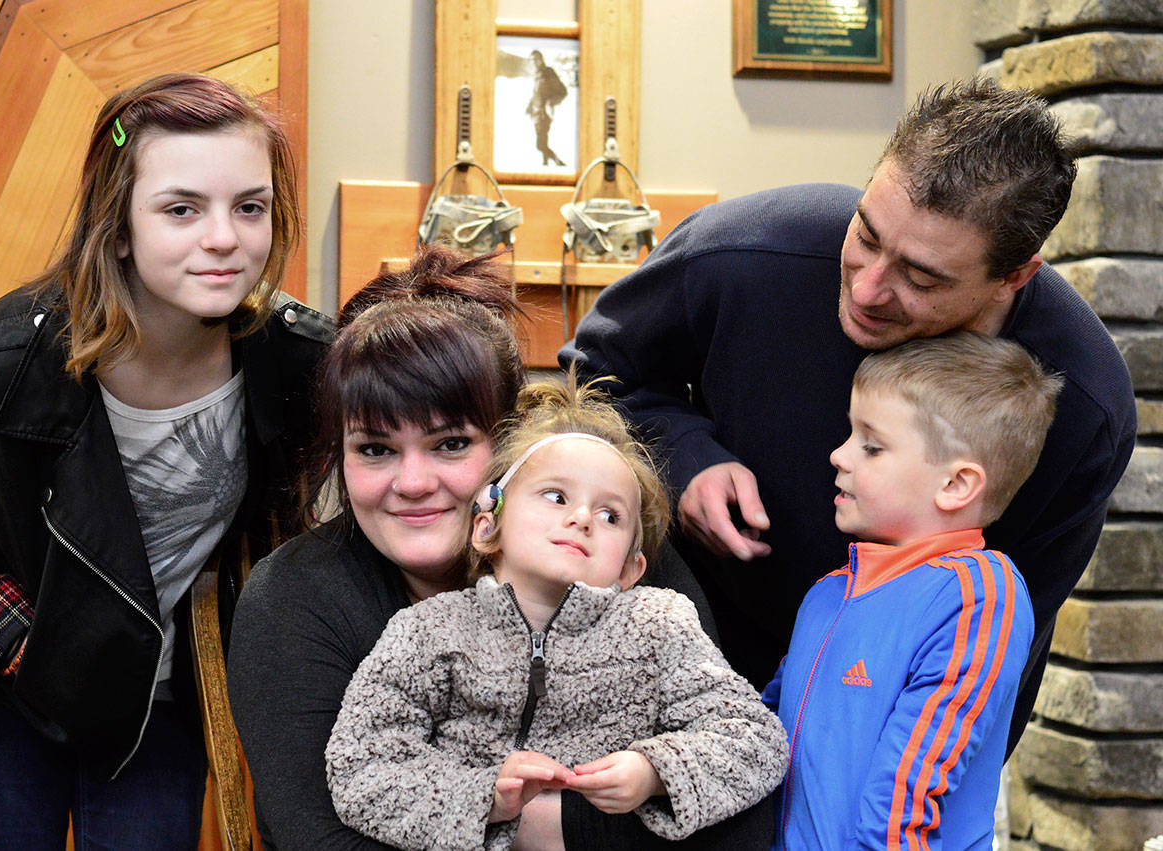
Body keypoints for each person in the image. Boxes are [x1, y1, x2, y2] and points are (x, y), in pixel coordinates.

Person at [559, 77, 1137, 754]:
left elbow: (999, 660)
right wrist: (685, 457)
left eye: (920, 278)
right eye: (866, 233)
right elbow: (594, 375)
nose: (866, 288)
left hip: (870, 734)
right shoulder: (744, 252)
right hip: (668, 669)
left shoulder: (1084, 406)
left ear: (1015, 276)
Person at [0, 73, 332, 848]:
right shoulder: (8, 358)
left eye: (249, 207)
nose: (224, 237)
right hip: (3, 693)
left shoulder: (290, 357)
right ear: (117, 223)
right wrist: (17, 649)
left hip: (161, 696)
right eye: (182, 208)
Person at [228, 245, 778, 850]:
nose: (412, 484)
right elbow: (323, 837)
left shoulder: (607, 550)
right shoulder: (299, 601)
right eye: (376, 450)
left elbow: (739, 808)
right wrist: (513, 822)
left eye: (451, 444)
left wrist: (562, 820)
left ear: (511, 447)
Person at [325, 376, 788, 850]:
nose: (583, 518)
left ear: (630, 568)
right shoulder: (428, 631)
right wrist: (484, 799)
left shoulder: (660, 625)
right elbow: (360, 765)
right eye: (556, 496)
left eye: (611, 516)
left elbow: (756, 740)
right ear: (487, 528)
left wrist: (654, 771)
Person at [763, 333, 1060, 848]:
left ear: (956, 485)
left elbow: (910, 787)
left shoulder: (978, 593)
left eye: (871, 446)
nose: (839, 455)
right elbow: (762, 735)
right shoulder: (827, 595)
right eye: (849, 435)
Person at [527, 49, 568, 167]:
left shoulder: (548, 73)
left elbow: (563, 91)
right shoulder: (537, 74)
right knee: (543, 141)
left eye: (535, 59)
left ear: (541, 59)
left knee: (540, 145)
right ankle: (545, 164)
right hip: (536, 114)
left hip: (545, 114)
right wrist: (529, 106)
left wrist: (550, 102)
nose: (533, 62)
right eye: (531, 60)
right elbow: (536, 93)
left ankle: (558, 162)